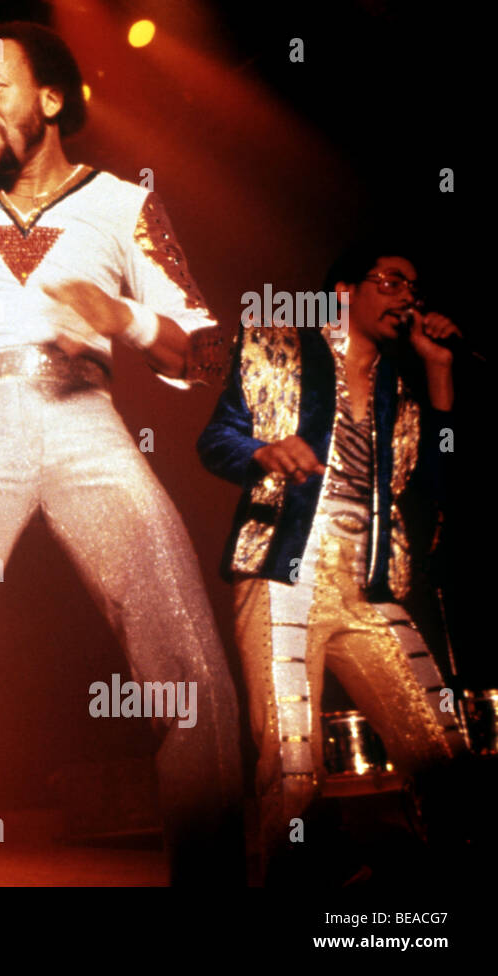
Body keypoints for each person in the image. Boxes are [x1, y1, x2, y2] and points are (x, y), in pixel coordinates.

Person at [0, 21, 242, 886]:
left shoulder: (123, 203)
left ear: (52, 99)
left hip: (87, 424)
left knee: (192, 670)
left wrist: (125, 318)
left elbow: (210, 357)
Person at [197, 245, 469, 880]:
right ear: (345, 290)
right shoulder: (277, 349)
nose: (409, 296)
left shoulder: (400, 387)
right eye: (393, 281)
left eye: (415, 286)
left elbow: (436, 485)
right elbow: (215, 442)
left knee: (443, 746)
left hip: (369, 580)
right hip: (284, 570)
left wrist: (440, 372)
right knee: (292, 763)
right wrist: (263, 452)